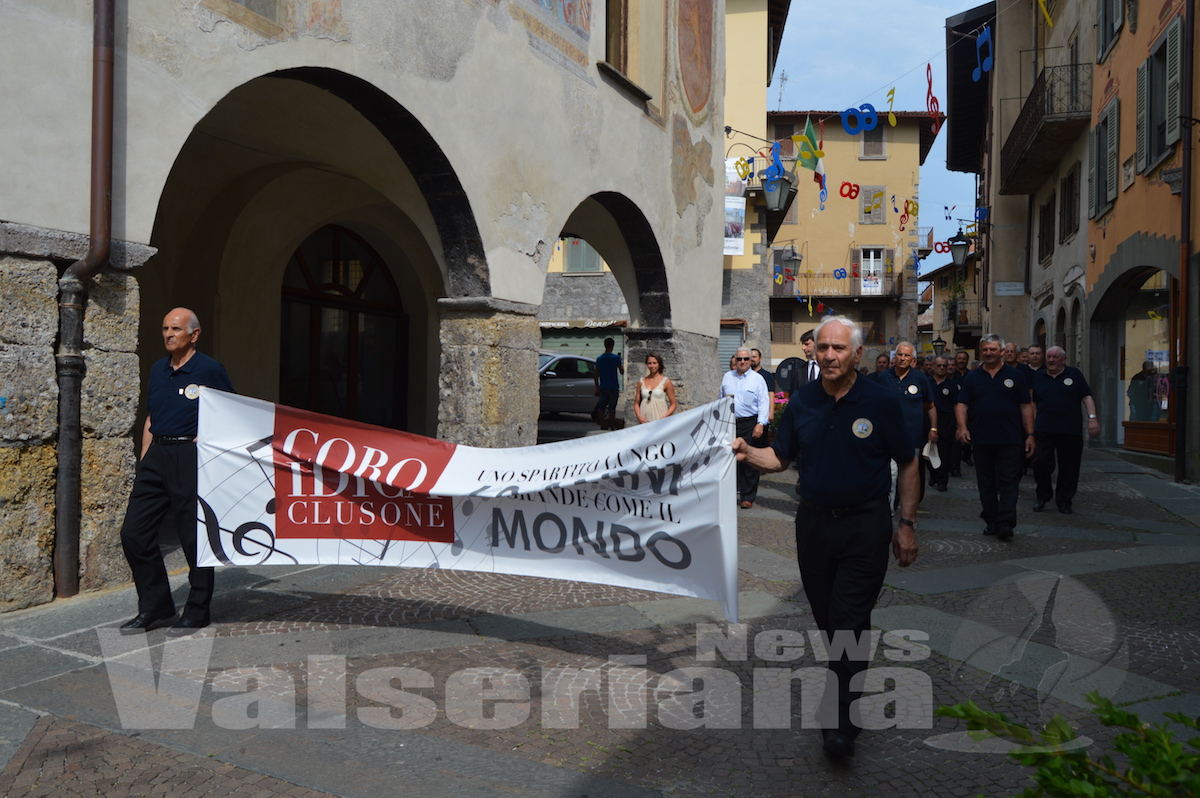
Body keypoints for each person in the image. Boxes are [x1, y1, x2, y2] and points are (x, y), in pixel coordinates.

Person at [732, 316, 917, 758]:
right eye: (823, 348)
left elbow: (909, 461)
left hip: (865, 525)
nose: (830, 355)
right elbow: (780, 458)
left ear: (857, 353)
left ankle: (839, 723)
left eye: (839, 348)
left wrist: (906, 523)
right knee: (831, 620)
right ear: (814, 351)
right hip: (814, 525)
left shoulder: (881, 400)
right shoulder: (803, 400)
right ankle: (845, 689)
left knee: (848, 619)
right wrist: (746, 452)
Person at [118, 308, 234, 636]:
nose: (169, 334)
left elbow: (230, 413)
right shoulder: (158, 369)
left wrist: (206, 439)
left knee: (193, 536)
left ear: (194, 335)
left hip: (190, 457)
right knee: (134, 533)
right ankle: (155, 605)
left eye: (176, 329)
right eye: (165, 328)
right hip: (157, 455)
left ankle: (197, 610)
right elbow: (151, 417)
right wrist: (145, 459)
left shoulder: (210, 370)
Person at [955, 334, 1034, 542]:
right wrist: (962, 427)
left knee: (1009, 480)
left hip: (1011, 438)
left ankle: (1005, 522)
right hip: (981, 438)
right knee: (986, 482)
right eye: (985, 350)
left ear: (1002, 352)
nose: (988, 353)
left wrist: (1030, 434)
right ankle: (991, 520)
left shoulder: (1016, 376)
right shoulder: (973, 377)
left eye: (992, 349)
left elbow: (1026, 406)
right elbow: (962, 404)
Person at [1031, 346, 1099, 514]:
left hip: (1070, 429)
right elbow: (1033, 402)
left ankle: (1064, 500)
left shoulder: (1074, 374)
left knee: (1069, 467)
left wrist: (1092, 418)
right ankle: (1043, 495)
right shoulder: (1038, 376)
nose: (1051, 360)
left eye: (1055, 357)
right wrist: (1032, 424)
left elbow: (1087, 397)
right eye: (1049, 357)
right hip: (1044, 428)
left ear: (1064, 360)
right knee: (1040, 463)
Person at [880, 342, 936, 504]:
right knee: (890, 473)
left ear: (913, 359)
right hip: (888, 436)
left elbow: (929, 404)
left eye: (906, 355)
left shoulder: (920, 378)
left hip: (912, 436)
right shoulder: (884, 377)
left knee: (910, 474)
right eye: (900, 354)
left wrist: (933, 427)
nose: (902, 358)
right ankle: (889, 508)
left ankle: (909, 509)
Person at [721, 347, 770, 509]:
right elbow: (720, 399)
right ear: (735, 360)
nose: (742, 362)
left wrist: (760, 424)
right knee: (730, 458)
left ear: (751, 360)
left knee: (748, 460)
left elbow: (764, 402)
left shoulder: (757, 379)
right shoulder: (727, 377)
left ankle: (747, 497)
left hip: (750, 422)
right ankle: (729, 493)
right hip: (730, 422)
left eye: (746, 359)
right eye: (739, 359)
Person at [929, 356, 958, 491]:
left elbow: (956, 405)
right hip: (928, 420)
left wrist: (958, 424)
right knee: (929, 450)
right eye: (939, 365)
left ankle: (942, 480)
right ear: (933, 366)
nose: (941, 368)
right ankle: (933, 474)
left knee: (945, 452)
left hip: (947, 420)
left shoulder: (952, 385)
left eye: (944, 366)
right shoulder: (927, 382)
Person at [634, 352, 677, 423]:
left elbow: (673, 404)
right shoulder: (641, 382)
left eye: (654, 363)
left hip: (660, 417)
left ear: (659, 364)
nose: (652, 366)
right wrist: (639, 416)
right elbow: (636, 403)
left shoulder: (666, 382)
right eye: (649, 363)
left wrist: (665, 416)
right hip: (644, 418)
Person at [592, 337, 624, 429]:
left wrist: (597, 388)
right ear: (612, 346)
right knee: (612, 408)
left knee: (601, 408)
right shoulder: (616, 358)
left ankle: (603, 426)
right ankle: (612, 426)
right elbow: (622, 371)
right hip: (614, 386)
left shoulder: (600, 359)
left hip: (603, 387)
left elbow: (596, 374)